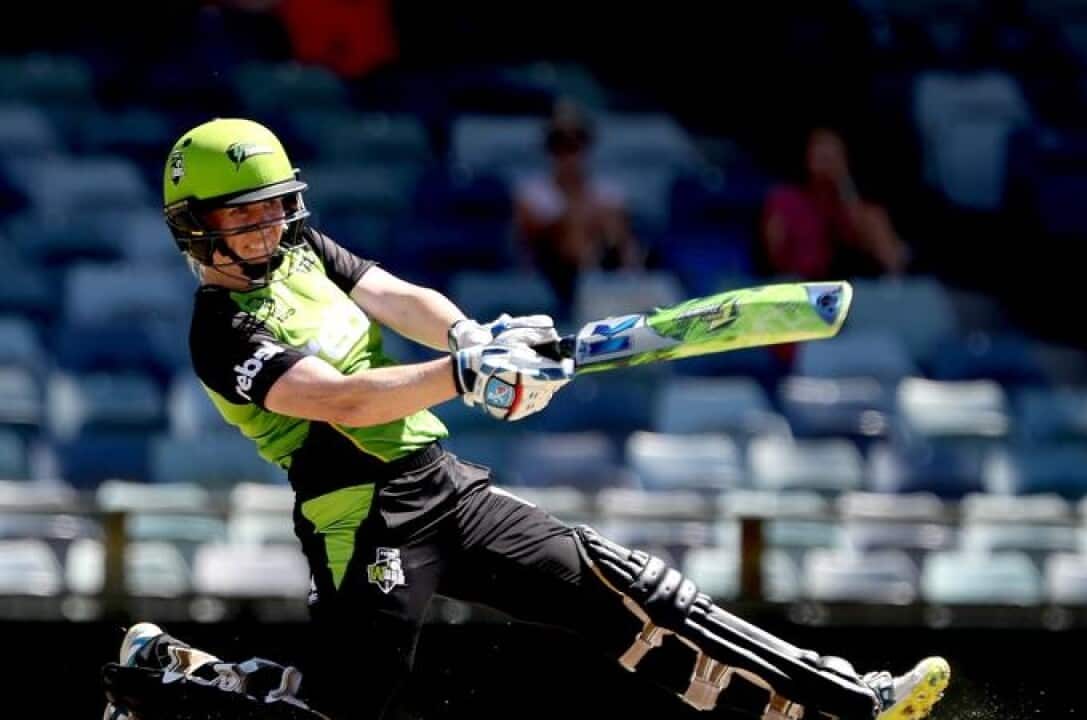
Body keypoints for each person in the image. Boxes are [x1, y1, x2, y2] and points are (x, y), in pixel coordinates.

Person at [99, 117, 951, 720]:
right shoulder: (220, 331)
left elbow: (397, 294)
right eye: (243, 215)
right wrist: (464, 373)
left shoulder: (301, 252)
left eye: (276, 204)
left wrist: (472, 333)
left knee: (634, 592)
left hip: (441, 485)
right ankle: (166, 684)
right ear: (195, 228)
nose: (267, 224)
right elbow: (345, 401)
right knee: (340, 707)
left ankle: (842, 702)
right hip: (360, 516)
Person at [513, 99, 644, 311]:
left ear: (586, 147)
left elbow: (622, 239)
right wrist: (576, 217)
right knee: (571, 227)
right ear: (548, 148)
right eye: (559, 144)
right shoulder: (532, 192)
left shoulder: (609, 191)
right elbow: (528, 242)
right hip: (550, 277)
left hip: (606, 272)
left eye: (575, 144)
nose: (568, 156)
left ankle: (626, 291)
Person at [759, 126, 909, 281]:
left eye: (832, 155)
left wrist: (844, 184)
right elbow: (774, 258)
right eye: (820, 151)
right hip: (799, 287)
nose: (826, 160)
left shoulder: (859, 209)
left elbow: (891, 261)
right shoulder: (784, 201)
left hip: (852, 289)